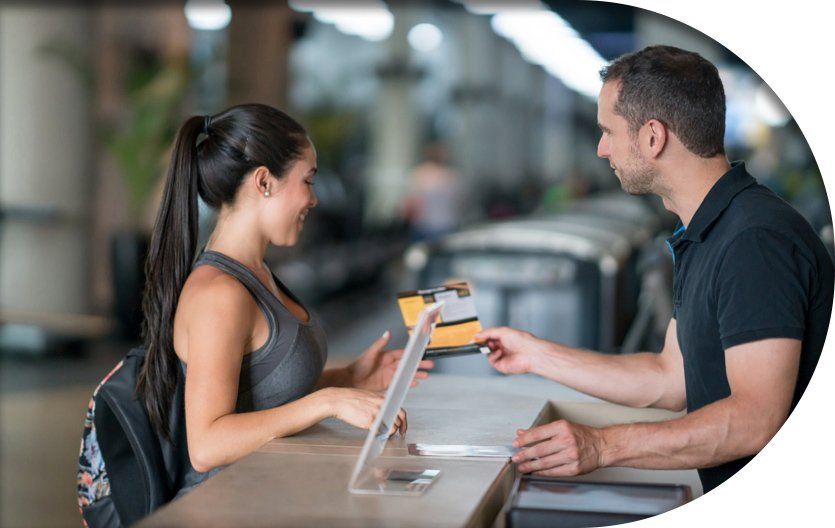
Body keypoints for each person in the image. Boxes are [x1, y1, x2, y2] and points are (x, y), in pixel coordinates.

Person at [476, 45, 833, 494]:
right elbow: (669, 378)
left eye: (608, 130)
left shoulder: (753, 241)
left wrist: (601, 447)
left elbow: (754, 420)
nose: (602, 149)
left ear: (652, 137)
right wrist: (535, 355)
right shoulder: (706, 232)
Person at [137, 104, 433, 494]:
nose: (313, 199)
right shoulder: (219, 294)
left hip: (272, 492)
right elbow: (208, 445)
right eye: (307, 181)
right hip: (227, 507)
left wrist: (349, 379)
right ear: (264, 182)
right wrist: (326, 401)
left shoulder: (257, 274)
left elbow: (257, 396)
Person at [401, 142, 464, 242]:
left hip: (433, 224)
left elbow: (410, 204)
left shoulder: (420, 174)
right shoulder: (450, 176)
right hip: (435, 224)